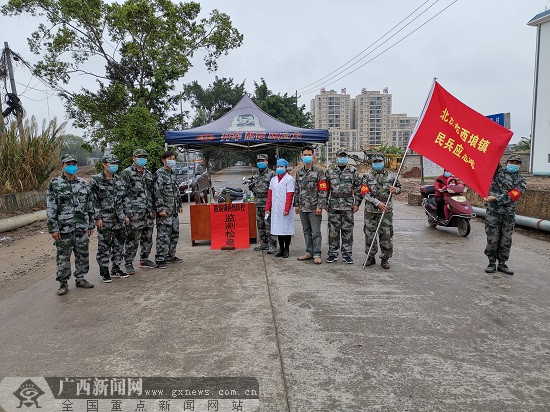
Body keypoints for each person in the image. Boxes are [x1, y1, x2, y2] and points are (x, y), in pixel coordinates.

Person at [46, 154, 95, 295]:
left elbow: (89, 205)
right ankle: (63, 283)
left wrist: (90, 224)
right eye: (69, 164)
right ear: (63, 166)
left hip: (81, 227)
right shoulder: (55, 184)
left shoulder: (83, 183)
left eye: (74, 163)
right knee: (63, 256)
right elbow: (51, 208)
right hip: (64, 228)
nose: (72, 166)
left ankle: (80, 279)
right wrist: (53, 228)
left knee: (82, 254)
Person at [483, 154, 526, 275]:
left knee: (506, 239)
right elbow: (491, 159)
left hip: (508, 214)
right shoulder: (498, 173)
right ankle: (491, 263)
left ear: (520, 166)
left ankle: (502, 264)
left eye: (516, 163)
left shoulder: (521, 181)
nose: (513, 164)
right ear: (506, 162)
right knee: (492, 238)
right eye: (511, 162)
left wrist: (495, 198)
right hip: (493, 212)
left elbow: (513, 195)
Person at [90, 154, 129, 283]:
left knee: (119, 244)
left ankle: (116, 268)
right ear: (104, 164)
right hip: (105, 218)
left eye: (116, 163)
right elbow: (93, 200)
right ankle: (104, 270)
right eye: (111, 163)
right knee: (104, 245)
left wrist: (126, 215)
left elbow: (124, 199)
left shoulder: (119, 179)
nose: (114, 165)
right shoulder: (96, 180)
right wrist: (97, 218)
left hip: (119, 218)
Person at [361, 153, 401, 269]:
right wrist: (376, 202)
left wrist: (395, 190)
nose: (377, 164)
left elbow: (399, 188)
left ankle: (385, 259)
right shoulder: (367, 176)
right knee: (369, 234)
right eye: (375, 162)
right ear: (372, 163)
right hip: (371, 209)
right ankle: (370, 257)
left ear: (383, 162)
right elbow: (364, 192)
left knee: (386, 235)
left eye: (379, 161)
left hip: (386, 210)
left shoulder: (391, 175)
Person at [120, 149, 156, 274]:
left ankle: (144, 259)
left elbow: (151, 192)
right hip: (134, 213)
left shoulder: (148, 173)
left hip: (147, 211)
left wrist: (153, 209)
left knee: (148, 236)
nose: (142, 159)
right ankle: (128, 262)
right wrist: (125, 214)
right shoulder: (127, 173)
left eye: (144, 157)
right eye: (140, 156)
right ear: (133, 158)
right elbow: (122, 194)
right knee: (133, 238)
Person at [325, 149, 362, 264]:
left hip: (348, 205)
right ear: (336, 157)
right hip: (334, 205)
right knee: (333, 231)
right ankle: (332, 253)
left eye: (344, 156)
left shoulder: (353, 170)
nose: (342, 158)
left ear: (347, 157)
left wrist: (357, 203)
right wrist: (325, 202)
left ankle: (347, 254)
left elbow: (358, 188)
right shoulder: (330, 171)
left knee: (347, 231)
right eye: (340, 156)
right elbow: (326, 188)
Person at [294, 146, 328, 264]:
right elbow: (297, 189)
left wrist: (320, 206)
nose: (307, 157)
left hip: (314, 207)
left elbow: (323, 190)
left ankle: (317, 254)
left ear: (313, 156)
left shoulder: (319, 172)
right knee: (306, 231)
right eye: (305, 155)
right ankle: (309, 252)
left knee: (316, 232)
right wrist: (296, 205)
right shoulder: (299, 172)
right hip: (303, 207)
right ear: (301, 156)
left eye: (309, 155)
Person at [154, 150, 183, 268]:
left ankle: (171, 255)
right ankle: (160, 258)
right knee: (163, 235)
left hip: (174, 210)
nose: (172, 161)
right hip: (165, 210)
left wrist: (179, 205)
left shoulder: (172, 173)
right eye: (170, 158)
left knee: (174, 233)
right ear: (163, 160)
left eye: (174, 158)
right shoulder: (159, 173)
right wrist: (160, 209)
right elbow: (157, 192)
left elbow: (176, 191)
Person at [265, 158, 295, 258]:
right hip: (276, 209)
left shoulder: (289, 179)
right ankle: (281, 249)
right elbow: (269, 195)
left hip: (285, 209)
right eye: (278, 166)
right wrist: (267, 208)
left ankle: (287, 249)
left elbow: (290, 195)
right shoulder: (273, 180)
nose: (279, 168)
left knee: (286, 230)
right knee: (278, 230)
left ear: (286, 168)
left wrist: (286, 209)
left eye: (281, 166)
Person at [251, 153, 278, 254]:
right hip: (258, 203)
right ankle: (264, 243)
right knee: (260, 225)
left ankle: (272, 244)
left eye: (262, 161)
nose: (260, 163)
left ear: (267, 162)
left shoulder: (272, 174)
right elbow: (255, 189)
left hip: (267, 204)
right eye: (259, 161)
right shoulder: (256, 175)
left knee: (269, 225)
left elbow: (275, 190)